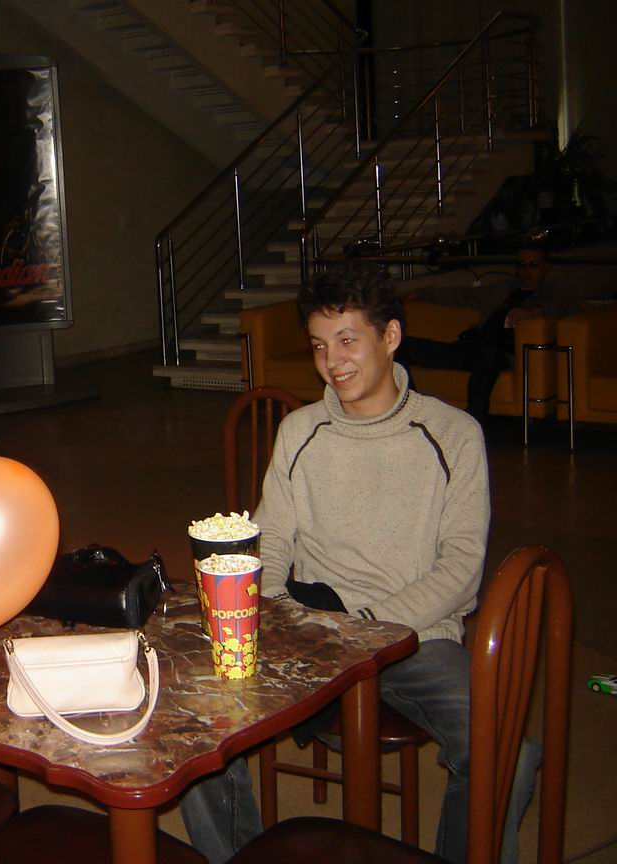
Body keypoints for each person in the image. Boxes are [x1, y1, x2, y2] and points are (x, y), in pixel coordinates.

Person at [179, 263, 539, 864]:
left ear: (390, 336)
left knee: (508, 750)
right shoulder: (300, 431)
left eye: (347, 340)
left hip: (413, 638)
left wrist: (369, 627)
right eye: (320, 346)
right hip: (313, 630)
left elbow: (460, 570)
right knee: (195, 723)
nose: (332, 362)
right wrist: (281, 614)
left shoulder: (453, 434)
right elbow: (272, 544)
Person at [396, 244, 581, 421]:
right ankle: (412, 412)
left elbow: (570, 307)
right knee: (401, 345)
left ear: (546, 267)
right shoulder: (502, 289)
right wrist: (423, 293)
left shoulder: (550, 294)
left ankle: (474, 421)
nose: (527, 271)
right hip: (471, 346)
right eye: (522, 265)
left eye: (534, 265)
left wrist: (535, 311)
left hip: (502, 353)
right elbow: (464, 295)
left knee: (489, 353)